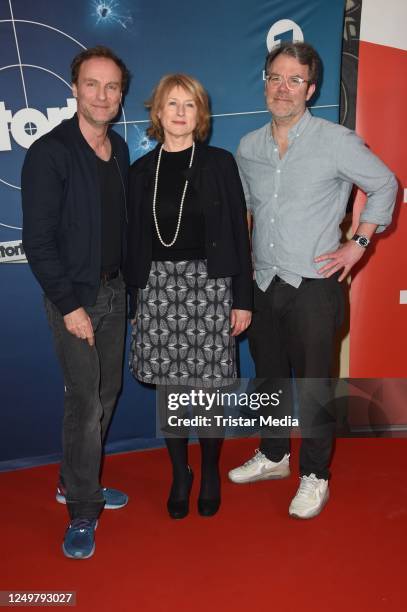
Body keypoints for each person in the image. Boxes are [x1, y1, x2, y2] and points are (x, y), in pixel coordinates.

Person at [228, 42, 397, 519]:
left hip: (315, 287)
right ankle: (276, 456)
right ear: (265, 82)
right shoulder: (248, 147)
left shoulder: (336, 140)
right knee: (270, 379)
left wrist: (358, 244)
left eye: (294, 80)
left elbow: (386, 184)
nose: (283, 88)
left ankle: (316, 475)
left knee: (317, 387)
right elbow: (245, 212)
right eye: (275, 77)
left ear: (311, 89)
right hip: (263, 284)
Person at [125, 73, 252, 519]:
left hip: (211, 286)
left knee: (208, 392)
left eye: (189, 105)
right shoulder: (140, 172)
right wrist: (135, 301)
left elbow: (238, 233)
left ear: (200, 115)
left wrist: (242, 298)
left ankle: (211, 470)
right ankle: (181, 473)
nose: (180, 112)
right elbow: (133, 243)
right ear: (157, 113)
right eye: (171, 104)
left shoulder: (219, 163)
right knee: (172, 391)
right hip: (157, 289)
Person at [22, 46, 130, 558]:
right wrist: (70, 306)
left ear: (121, 94)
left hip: (114, 292)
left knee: (107, 394)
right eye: (93, 84)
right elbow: (38, 241)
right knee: (84, 403)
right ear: (74, 89)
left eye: (112, 87)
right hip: (75, 300)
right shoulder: (51, 152)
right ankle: (83, 508)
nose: (102, 95)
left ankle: (75, 480)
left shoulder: (122, 150)